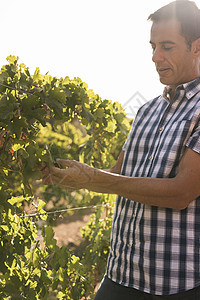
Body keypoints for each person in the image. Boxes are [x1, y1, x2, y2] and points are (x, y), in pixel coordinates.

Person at [41, 1, 200, 299]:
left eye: (167, 46)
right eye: (152, 46)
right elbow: (118, 175)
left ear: (197, 47)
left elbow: (182, 193)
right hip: (120, 275)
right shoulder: (146, 111)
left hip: (172, 285)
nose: (155, 57)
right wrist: (73, 176)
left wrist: (95, 179)